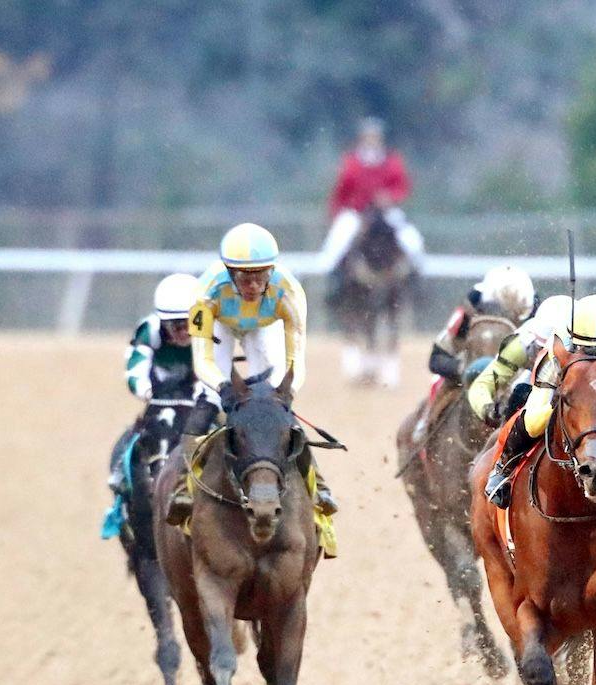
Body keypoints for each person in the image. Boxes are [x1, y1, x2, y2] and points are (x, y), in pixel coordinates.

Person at [165, 223, 336, 524]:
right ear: (230, 273)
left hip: (263, 326)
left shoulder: (290, 293)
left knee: (274, 405)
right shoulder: (204, 294)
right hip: (220, 324)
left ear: (272, 270)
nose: (254, 287)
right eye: (245, 277)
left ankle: (317, 485)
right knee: (207, 398)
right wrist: (221, 387)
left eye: (261, 277)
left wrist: (284, 396)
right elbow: (202, 359)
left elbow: (295, 362)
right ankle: (183, 486)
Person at [483, 294, 596, 519]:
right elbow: (539, 405)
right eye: (587, 350)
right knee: (534, 421)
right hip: (558, 374)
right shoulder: (559, 343)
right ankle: (503, 470)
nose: (595, 358)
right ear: (575, 340)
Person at [107, 273, 201, 495]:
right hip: (160, 396)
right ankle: (121, 471)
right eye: (176, 326)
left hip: (199, 397)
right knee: (139, 433)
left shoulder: (211, 332)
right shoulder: (148, 331)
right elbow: (135, 370)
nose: (184, 332)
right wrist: (146, 391)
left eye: (189, 324)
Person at [320, 118, 425, 280]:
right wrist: (338, 212)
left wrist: (389, 197)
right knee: (337, 241)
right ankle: (333, 278)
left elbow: (402, 187)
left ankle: (416, 276)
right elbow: (341, 191)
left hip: (386, 212)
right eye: (368, 138)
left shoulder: (392, 161)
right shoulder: (352, 162)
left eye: (375, 138)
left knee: (411, 239)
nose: (372, 141)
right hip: (357, 213)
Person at [466, 294, 574, 427]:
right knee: (520, 393)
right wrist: (488, 410)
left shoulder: (592, 346)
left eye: (557, 351)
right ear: (535, 341)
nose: (550, 358)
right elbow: (482, 385)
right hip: (532, 384)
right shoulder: (521, 345)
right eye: (543, 349)